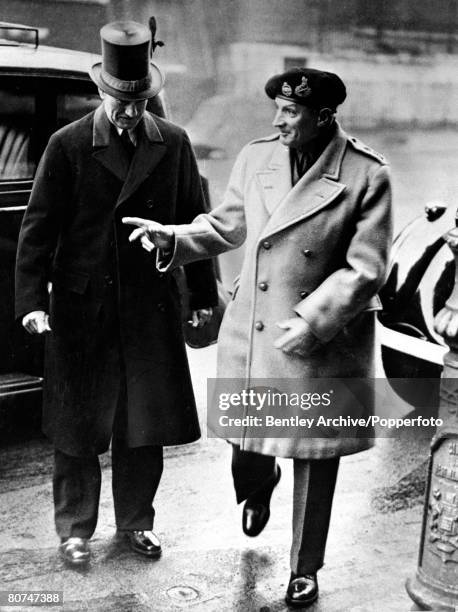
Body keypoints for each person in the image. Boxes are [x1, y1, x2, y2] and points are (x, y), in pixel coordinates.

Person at [123, 67, 392, 607]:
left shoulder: (367, 174)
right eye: (278, 109)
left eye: (291, 112)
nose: (279, 119)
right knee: (248, 445)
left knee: (315, 460)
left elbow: (367, 269)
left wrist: (316, 319)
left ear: (323, 117)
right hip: (258, 326)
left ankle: (304, 567)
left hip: (322, 336)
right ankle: (257, 479)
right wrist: (172, 236)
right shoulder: (255, 157)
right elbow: (226, 226)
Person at [15, 21, 216, 567]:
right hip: (82, 310)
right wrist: (32, 301)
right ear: (101, 91)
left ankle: (137, 524)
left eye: (139, 102)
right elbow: (39, 230)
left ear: (149, 95)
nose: (129, 112)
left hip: (149, 309)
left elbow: (193, 222)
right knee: (77, 426)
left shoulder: (172, 144)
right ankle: (74, 530)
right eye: (119, 102)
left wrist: (202, 296)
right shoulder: (69, 144)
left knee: (142, 424)